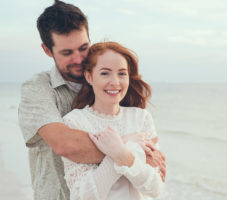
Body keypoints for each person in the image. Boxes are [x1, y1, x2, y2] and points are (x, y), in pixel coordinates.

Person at [18, 1, 166, 199]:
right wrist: (128, 146)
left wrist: (133, 154)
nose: (79, 59)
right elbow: (65, 145)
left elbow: (154, 181)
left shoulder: (114, 91)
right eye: (67, 52)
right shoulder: (37, 88)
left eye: (83, 47)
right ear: (47, 50)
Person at [62, 41, 164, 199]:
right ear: (89, 76)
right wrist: (123, 147)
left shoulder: (141, 118)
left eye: (122, 73)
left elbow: (155, 189)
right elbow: (82, 196)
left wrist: (123, 154)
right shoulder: (74, 122)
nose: (115, 82)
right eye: (105, 73)